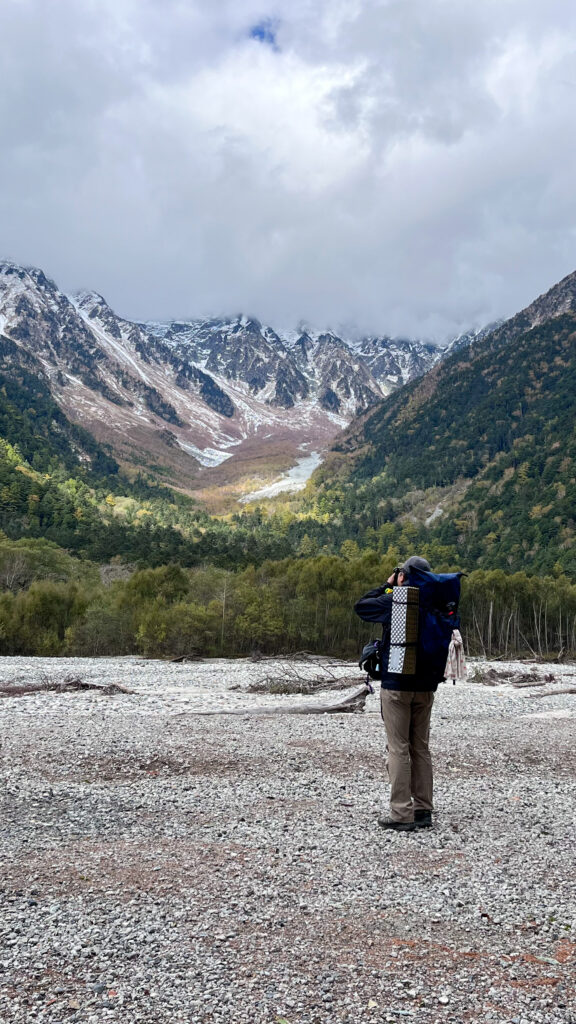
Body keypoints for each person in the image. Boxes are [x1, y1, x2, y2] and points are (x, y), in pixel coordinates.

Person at [354, 555, 440, 833]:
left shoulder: (396, 601)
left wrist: (387, 584)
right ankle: (423, 810)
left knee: (398, 747)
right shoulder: (438, 602)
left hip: (396, 687)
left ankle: (401, 813)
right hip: (426, 687)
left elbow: (362, 606)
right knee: (420, 747)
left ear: (403, 576)